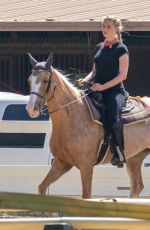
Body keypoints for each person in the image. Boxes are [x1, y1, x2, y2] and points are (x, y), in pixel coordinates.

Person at [77, 15, 129, 167]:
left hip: (115, 92)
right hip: (96, 90)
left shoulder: (121, 49)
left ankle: (119, 153)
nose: (105, 29)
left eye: (108, 27)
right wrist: (86, 80)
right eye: (103, 26)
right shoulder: (100, 47)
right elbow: (94, 71)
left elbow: (123, 75)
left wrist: (103, 87)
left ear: (117, 29)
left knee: (112, 118)